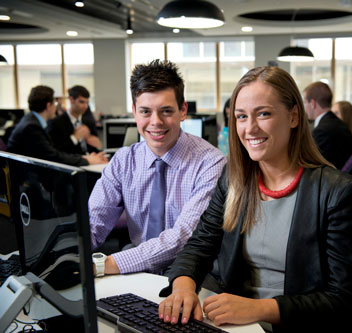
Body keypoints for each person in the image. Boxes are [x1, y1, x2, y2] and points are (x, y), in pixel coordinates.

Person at [157, 66, 352, 332]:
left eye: (264, 114)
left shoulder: (338, 192)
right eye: (241, 117)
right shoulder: (234, 179)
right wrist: (184, 287)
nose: (250, 128)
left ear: (293, 117)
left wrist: (259, 308)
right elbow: (199, 246)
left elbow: (343, 300)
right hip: (235, 320)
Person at [88, 60, 225, 275]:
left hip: (191, 272)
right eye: (145, 111)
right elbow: (94, 220)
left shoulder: (210, 163)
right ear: (134, 112)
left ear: (183, 110)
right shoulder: (123, 161)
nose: (156, 122)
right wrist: (67, 256)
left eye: (166, 111)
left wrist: (104, 265)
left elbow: (183, 237)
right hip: (135, 268)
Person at [7, 85, 107, 166]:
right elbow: (53, 156)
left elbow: (52, 153)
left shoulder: (30, 121)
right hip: (27, 179)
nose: (56, 107)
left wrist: (87, 157)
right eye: (54, 103)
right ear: (48, 105)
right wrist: (87, 160)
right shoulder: (32, 127)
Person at [303, 82, 352, 169]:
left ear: (313, 103)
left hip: (333, 179)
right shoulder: (337, 123)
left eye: (305, 102)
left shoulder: (322, 131)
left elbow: (310, 163)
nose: (304, 107)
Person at [47, 85, 102, 155]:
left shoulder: (89, 122)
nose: (85, 106)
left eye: (87, 102)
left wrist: (98, 146)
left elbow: (94, 148)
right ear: (71, 99)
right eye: (81, 102)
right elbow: (56, 151)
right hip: (71, 163)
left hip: (92, 161)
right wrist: (75, 138)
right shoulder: (56, 122)